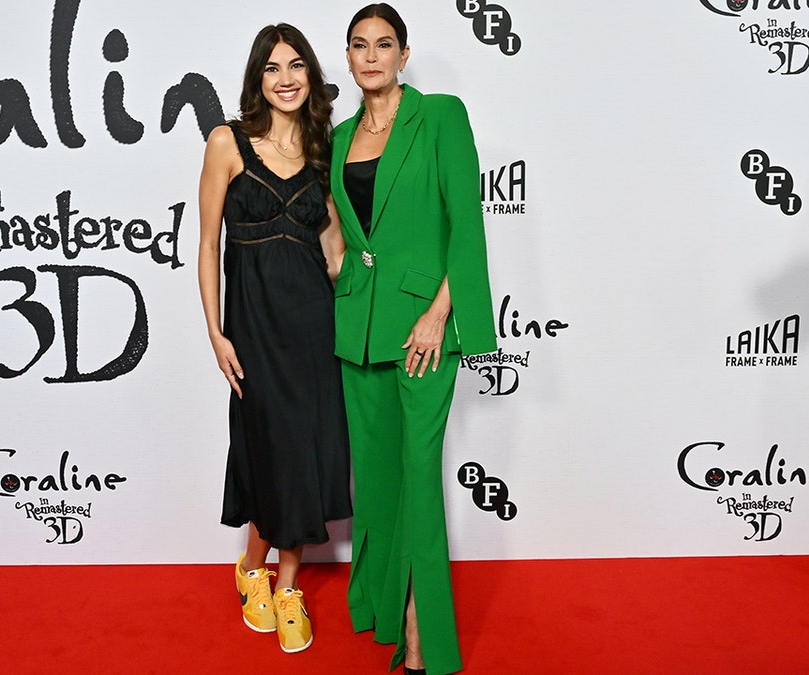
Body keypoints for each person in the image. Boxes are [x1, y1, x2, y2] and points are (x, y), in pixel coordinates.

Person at [329, 4, 497, 674]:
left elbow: (466, 222)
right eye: (358, 45)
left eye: (384, 44)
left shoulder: (441, 117)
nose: (371, 56)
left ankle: (423, 632)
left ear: (404, 52)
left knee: (419, 479)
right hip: (357, 328)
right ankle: (381, 604)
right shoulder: (339, 137)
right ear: (346, 57)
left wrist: (439, 314)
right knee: (374, 480)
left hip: (422, 329)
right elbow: (344, 235)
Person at [197, 23, 351, 654]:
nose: (285, 78)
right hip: (254, 331)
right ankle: (251, 566)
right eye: (272, 68)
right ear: (257, 79)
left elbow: (336, 252)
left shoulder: (322, 154)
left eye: (296, 66)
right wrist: (214, 332)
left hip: (314, 328)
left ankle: (284, 583)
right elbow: (207, 245)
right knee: (269, 449)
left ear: (311, 76)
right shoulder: (226, 142)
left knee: (303, 453)